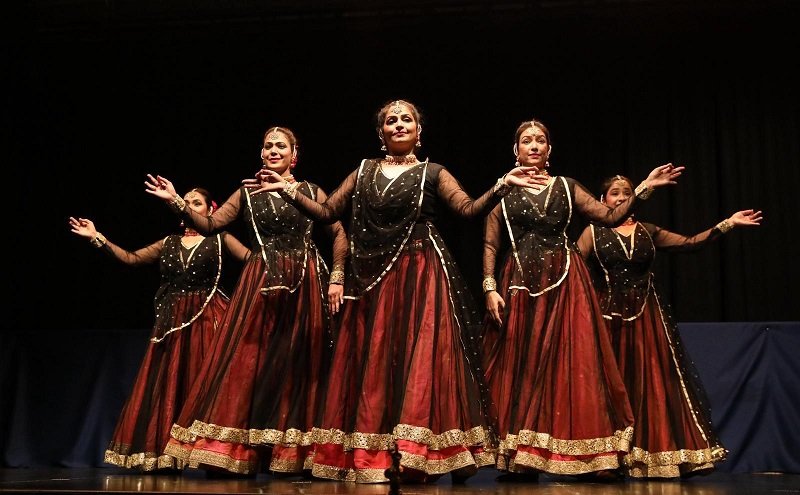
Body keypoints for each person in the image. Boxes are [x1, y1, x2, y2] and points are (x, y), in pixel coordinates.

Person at [253, 99, 544, 484]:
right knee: (374, 362)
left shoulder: (433, 172)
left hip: (422, 273)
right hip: (371, 278)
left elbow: (468, 209)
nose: (400, 124)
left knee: (419, 361)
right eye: (392, 120)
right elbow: (327, 213)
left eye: (407, 119)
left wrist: (502, 185)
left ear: (419, 133)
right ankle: (373, 455)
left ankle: (416, 456)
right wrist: (289, 191)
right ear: (381, 133)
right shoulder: (363, 170)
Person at [481, 118, 685, 481]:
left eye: (540, 140)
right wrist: (489, 286)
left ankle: (591, 455)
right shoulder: (505, 193)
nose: (533, 146)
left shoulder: (566, 186)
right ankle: (521, 457)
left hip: (566, 284)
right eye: (526, 141)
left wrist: (644, 189)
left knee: (572, 364)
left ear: (549, 149)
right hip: (520, 286)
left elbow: (610, 216)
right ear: (516, 150)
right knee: (523, 366)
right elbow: (491, 242)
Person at [145, 126, 348, 476]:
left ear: (293, 155)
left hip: (304, 279)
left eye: (280, 146)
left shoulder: (310, 190)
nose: (273, 150)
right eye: (267, 145)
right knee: (247, 361)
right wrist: (176, 201)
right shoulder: (247, 192)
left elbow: (338, 231)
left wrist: (337, 277)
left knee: (300, 364)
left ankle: (296, 453)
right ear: (261, 153)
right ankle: (237, 450)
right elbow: (211, 224)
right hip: (262, 278)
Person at [575, 174, 762, 478]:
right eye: (614, 194)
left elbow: (689, 243)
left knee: (651, 383)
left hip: (647, 319)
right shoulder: (592, 233)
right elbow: (574, 271)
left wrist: (726, 223)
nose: (621, 197)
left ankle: (653, 456)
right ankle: (605, 458)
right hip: (607, 319)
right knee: (610, 387)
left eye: (626, 192)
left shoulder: (647, 232)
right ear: (602, 201)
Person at [68, 188, 251, 471]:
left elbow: (253, 261)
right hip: (172, 323)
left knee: (207, 385)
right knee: (169, 385)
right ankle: (165, 455)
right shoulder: (168, 242)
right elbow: (131, 258)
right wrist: (97, 237)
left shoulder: (220, 239)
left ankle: (214, 456)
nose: (190, 206)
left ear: (210, 211)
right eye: (187, 202)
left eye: (197, 202)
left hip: (208, 320)